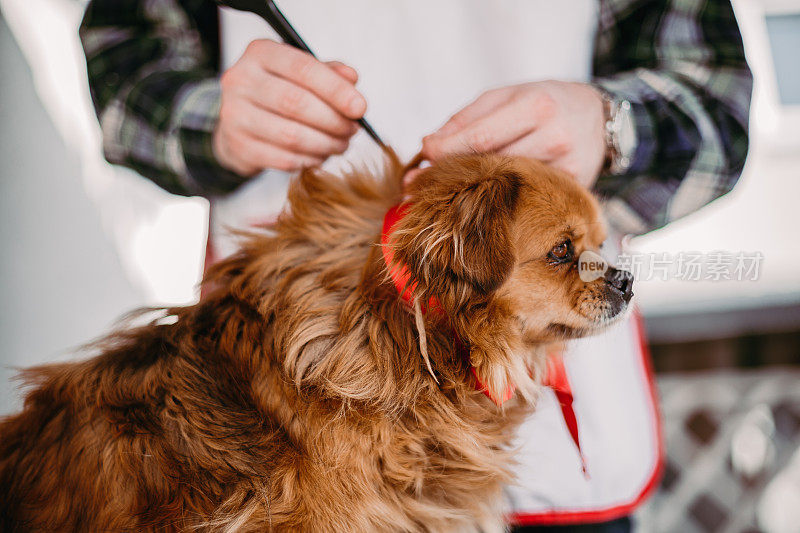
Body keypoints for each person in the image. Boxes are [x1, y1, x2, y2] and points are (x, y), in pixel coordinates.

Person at [79, 1, 752, 530]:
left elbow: (721, 104)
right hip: (279, 421)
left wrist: (614, 126)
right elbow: (123, 64)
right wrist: (210, 118)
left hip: (563, 453)